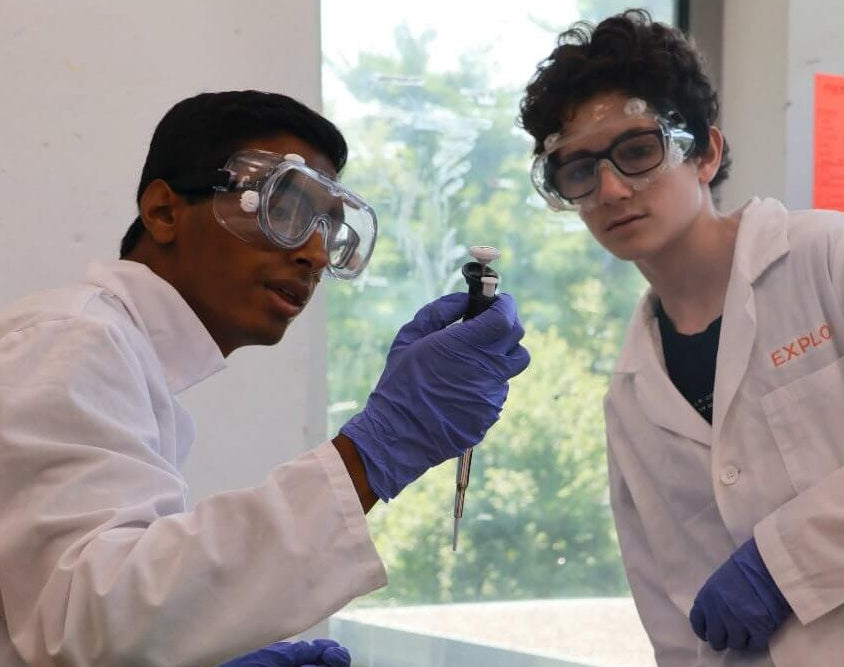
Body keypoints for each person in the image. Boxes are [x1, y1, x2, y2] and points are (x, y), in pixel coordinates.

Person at [518, 9, 844, 666]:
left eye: (637, 150)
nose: (609, 189)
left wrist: (787, 561)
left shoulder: (829, 258)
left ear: (706, 152)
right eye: (578, 170)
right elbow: (670, 613)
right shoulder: (632, 395)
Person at [0, 90, 530, 667]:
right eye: (285, 209)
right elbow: (85, 623)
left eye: (329, 229)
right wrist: (377, 447)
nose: (315, 255)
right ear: (164, 212)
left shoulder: (124, 360)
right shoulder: (72, 338)